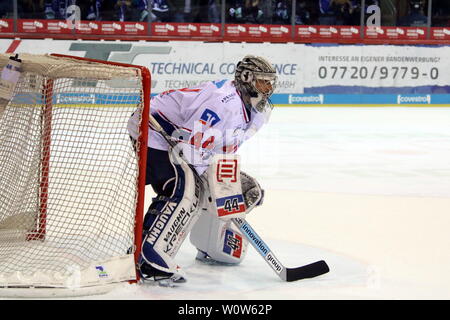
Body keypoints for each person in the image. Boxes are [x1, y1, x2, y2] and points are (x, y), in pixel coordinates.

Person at [127, 55, 277, 285]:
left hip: (183, 139)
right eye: (263, 82)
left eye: (270, 82)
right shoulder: (223, 104)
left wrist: (225, 184)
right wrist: (212, 183)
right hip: (152, 128)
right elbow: (190, 151)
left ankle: (212, 247)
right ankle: (148, 256)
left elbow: (216, 149)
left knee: (229, 190)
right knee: (185, 186)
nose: (268, 88)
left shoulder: (254, 110)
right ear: (246, 79)